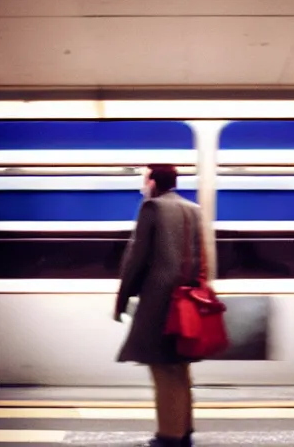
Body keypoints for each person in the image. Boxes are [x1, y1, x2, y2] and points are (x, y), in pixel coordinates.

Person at [114, 164, 206, 447]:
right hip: (185, 299)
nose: (143, 184)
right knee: (179, 366)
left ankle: (169, 435)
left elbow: (136, 258)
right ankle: (185, 427)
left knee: (161, 368)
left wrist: (122, 298)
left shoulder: (151, 208)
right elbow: (202, 255)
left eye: (145, 178)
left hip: (159, 301)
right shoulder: (193, 209)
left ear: (153, 181)